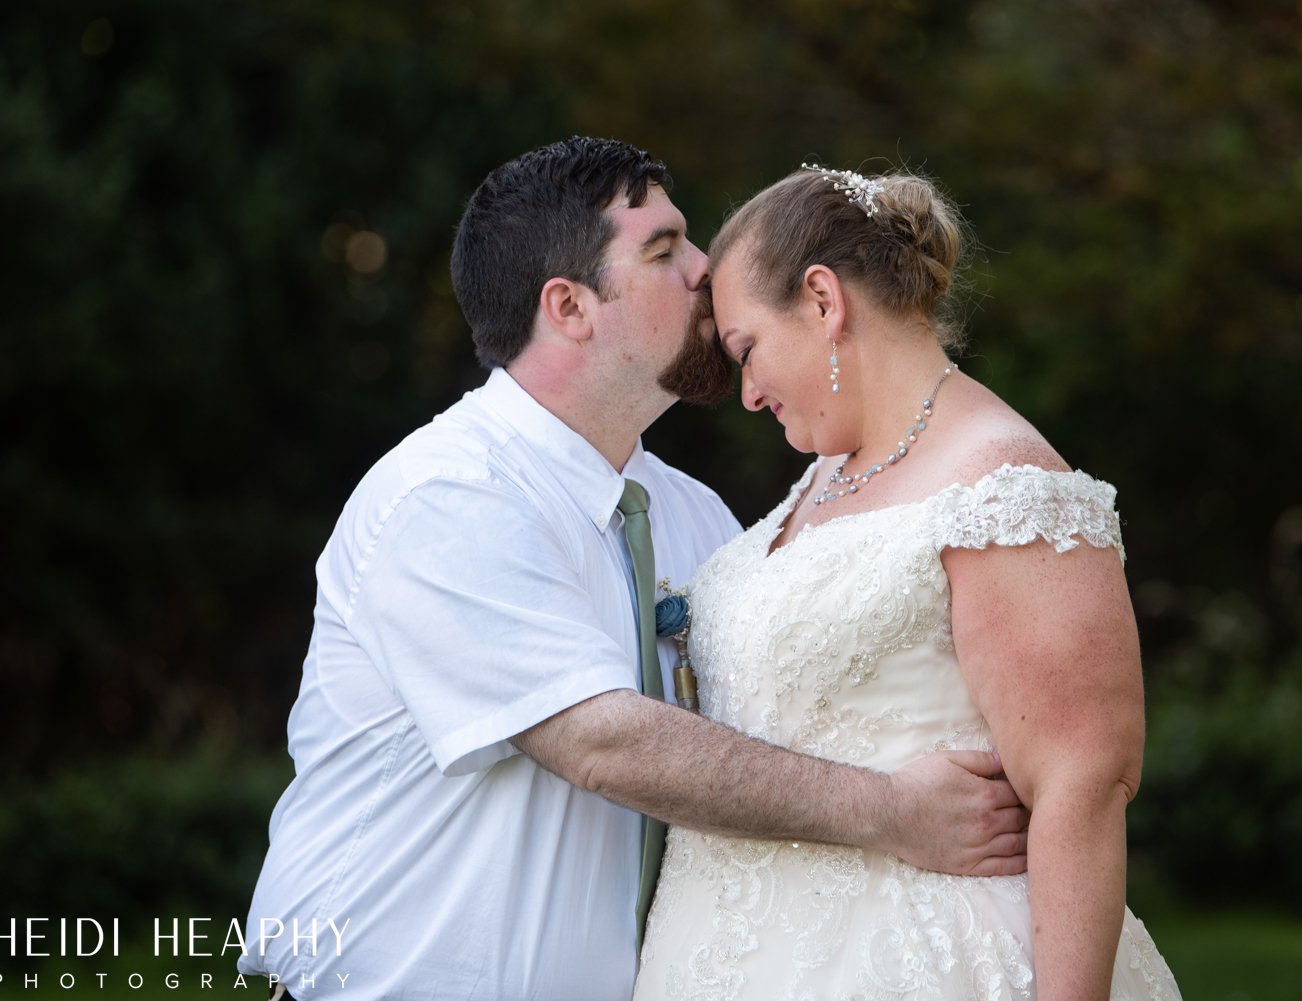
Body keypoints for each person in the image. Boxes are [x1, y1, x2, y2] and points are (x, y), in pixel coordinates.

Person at [237, 138, 1031, 1001]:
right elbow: (601, 739)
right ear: (570, 306)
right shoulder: (445, 496)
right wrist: (893, 812)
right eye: (664, 249)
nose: (706, 267)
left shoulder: (691, 513)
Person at [633, 165, 1182, 1000]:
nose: (746, 394)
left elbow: (1083, 780)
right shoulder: (825, 475)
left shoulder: (1004, 484)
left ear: (823, 301)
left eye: (748, 351)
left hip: (918, 961)